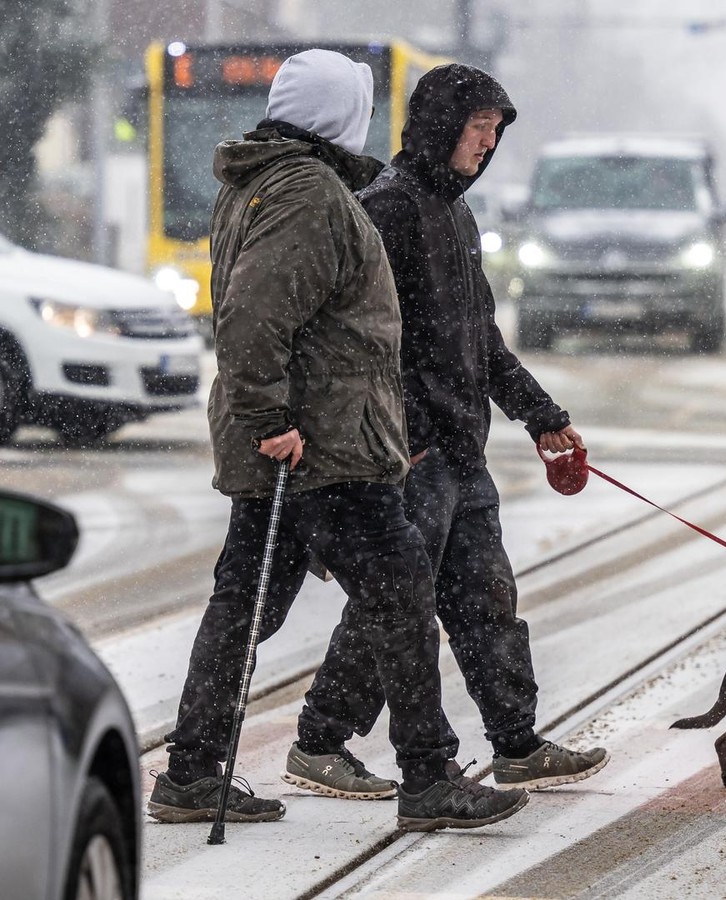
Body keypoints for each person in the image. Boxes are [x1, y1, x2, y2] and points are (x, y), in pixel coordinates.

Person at [146, 49, 529, 833]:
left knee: (245, 604)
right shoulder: (310, 193)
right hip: (324, 447)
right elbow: (252, 317)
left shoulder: (261, 181)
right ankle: (428, 777)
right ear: (339, 113)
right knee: (402, 594)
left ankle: (191, 771)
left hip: (300, 441)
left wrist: (267, 422)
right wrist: (271, 421)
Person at [283, 63, 609, 800]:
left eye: (495, 131)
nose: (487, 143)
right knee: (396, 604)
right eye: (478, 128)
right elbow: (358, 339)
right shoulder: (387, 209)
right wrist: (407, 434)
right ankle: (320, 740)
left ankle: (516, 744)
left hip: (462, 452)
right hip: (411, 453)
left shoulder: (455, 213)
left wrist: (543, 415)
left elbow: (480, 339)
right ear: (441, 126)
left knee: (487, 598)